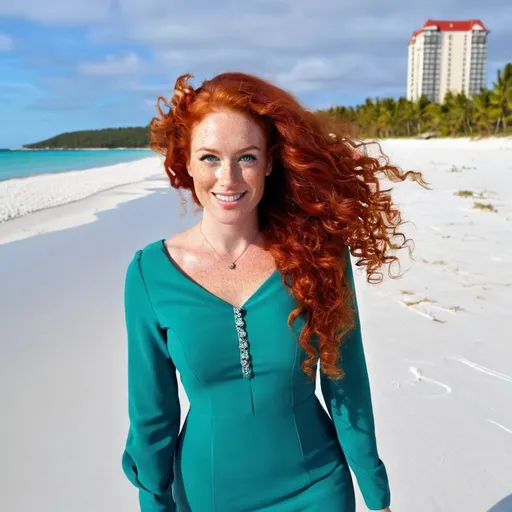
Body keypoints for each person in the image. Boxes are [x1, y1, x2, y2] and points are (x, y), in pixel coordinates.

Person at [120, 71, 426, 512]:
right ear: (184, 161)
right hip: (208, 493)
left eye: (245, 157)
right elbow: (152, 415)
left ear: (269, 162)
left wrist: (376, 493)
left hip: (317, 486)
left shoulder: (318, 257)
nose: (227, 178)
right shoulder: (150, 274)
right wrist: (154, 500)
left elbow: (347, 382)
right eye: (209, 157)